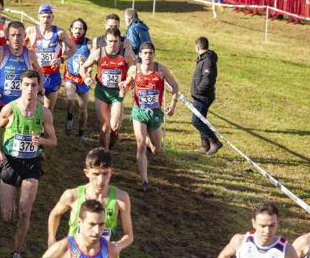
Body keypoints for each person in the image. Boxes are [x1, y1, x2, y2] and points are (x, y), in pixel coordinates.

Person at [0, 69, 57, 258]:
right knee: (6, 216)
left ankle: (16, 252)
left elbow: (53, 141)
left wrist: (41, 142)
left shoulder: (44, 113)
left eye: (34, 85)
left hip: (31, 165)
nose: (30, 89)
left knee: (25, 212)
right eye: (26, 85)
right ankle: (9, 216)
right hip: (10, 162)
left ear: (39, 87)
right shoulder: (10, 108)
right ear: (20, 86)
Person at [47, 148, 133, 255]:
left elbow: (129, 235)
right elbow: (54, 215)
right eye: (96, 174)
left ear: (111, 172)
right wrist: (51, 240)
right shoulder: (72, 195)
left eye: (105, 174)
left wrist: (117, 246)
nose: (101, 180)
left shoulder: (121, 198)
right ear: (87, 173)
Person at [119, 42, 179, 190]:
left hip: (155, 113)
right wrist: (123, 89)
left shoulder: (161, 70)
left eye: (150, 53)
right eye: (145, 53)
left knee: (156, 149)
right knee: (140, 146)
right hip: (139, 111)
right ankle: (145, 180)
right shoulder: (134, 70)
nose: (148, 56)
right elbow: (126, 85)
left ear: (154, 54)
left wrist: (173, 104)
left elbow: (175, 87)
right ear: (140, 55)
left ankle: (147, 139)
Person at [0, 21, 44, 122]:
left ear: (24, 36)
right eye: (12, 35)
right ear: (7, 36)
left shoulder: (30, 54)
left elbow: (39, 72)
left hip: (22, 105)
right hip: (0, 104)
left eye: (19, 35)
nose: (16, 38)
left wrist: (39, 89)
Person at [81, 28, 132, 149]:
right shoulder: (99, 53)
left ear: (120, 41)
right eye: (110, 41)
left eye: (115, 41)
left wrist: (127, 81)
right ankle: (105, 151)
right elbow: (83, 67)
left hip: (117, 93)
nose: (112, 44)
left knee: (115, 126)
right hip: (101, 92)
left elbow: (132, 71)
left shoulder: (126, 54)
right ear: (105, 40)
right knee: (105, 126)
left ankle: (113, 138)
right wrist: (85, 77)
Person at [26, 4, 76, 112]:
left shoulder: (59, 33)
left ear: (52, 18)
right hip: (37, 75)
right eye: (43, 16)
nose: (46, 20)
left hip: (53, 76)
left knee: (48, 110)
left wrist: (61, 59)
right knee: (35, 107)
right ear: (38, 16)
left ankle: (45, 128)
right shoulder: (31, 31)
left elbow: (73, 48)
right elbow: (21, 46)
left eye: (48, 17)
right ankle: (35, 128)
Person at [217, 202, 298, 258]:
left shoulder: (287, 250)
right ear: (254, 223)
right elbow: (223, 255)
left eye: (272, 226)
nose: (267, 231)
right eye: (262, 226)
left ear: (278, 223)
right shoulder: (240, 241)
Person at [43, 199, 119, 258]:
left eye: (101, 224)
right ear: (79, 222)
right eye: (92, 224)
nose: (97, 231)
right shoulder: (62, 249)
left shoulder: (111, 250)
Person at [190, 36, 222, 155]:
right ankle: (205, 145)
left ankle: (214, 142)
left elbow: (207, 79)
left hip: (203, 96)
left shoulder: (207, 60)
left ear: (197, 47)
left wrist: (198, 91)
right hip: (200, 95)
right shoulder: (203, 59)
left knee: (196, 121)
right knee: (201, 119)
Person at [63, 18, 92, 137]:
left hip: (83, 79)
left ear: (84, 31)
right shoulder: (66, 41)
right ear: (71, 29)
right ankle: (69, 118)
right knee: (70, 99)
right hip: (70, 77)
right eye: (75, 28)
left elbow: (94, 59)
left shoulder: (88, 44)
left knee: (83, 108)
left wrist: (87, 63)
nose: (78, 30)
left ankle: (81, 133)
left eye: (80, 28)